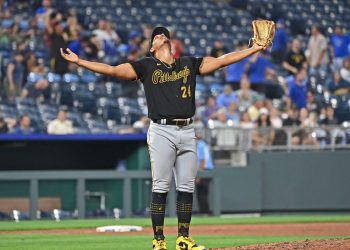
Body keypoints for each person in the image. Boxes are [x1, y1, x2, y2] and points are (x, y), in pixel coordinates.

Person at [60, 25, 265, 250]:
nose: (160, 34)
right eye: (155, 35)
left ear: (169, 41)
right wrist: (80, 62)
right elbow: (114, 70)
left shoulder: (188, 63)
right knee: (161, 186)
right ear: (152, 47)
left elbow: (222, 60)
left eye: (163, 33)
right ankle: (159, 241)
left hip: (187, 129)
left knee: (186, 187)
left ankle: (183, 239)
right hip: (161, 130)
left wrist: (253, 49)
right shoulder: (146, 66)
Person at [195, 131, 214, 214]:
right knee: (204, 193)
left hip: (204, 170)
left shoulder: (200, 145)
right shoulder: (204, 144)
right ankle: (205, 211)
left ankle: (204, 211)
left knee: (201, 193)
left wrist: (199, 175)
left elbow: (202, 160)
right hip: (208, 169)